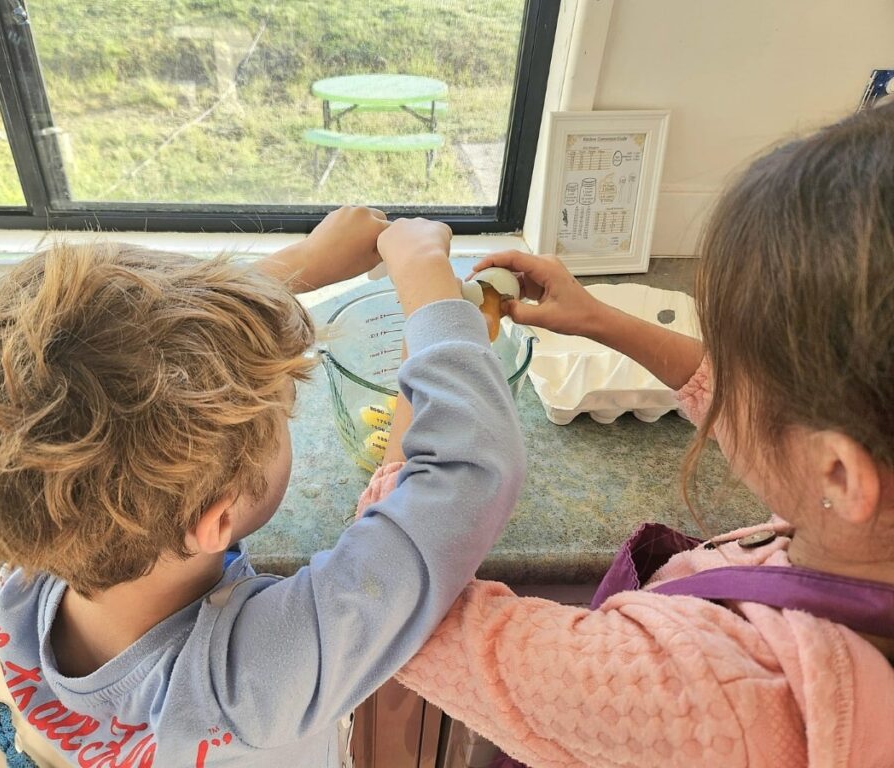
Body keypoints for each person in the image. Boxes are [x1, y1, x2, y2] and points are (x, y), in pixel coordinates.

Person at [0, 208, 526, 767]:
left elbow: (128, 363)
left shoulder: (35, 555)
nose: (288, 412)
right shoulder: (257, 678)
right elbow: (465, 475)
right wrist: (429, 287)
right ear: (215, 520)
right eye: (284, 413)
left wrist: (305, 263)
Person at [361, 104, 894, 766]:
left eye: (739, 365)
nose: (720, 376)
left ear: (839, 473)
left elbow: (388, 600)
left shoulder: (706, 694)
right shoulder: (865, 530)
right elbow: (763, 425)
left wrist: (432, 330)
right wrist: (599, 320)